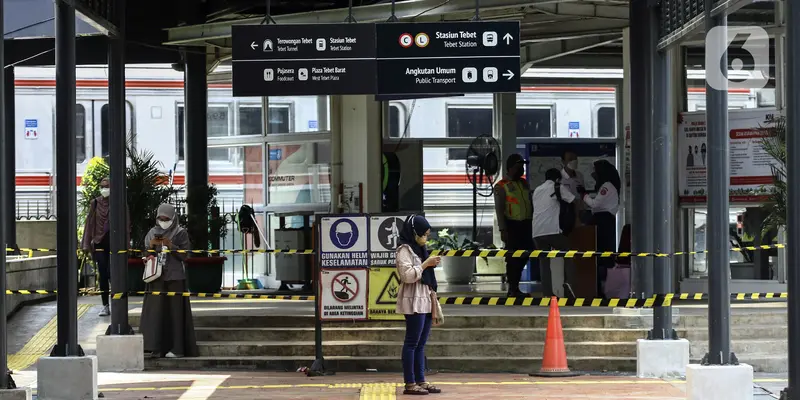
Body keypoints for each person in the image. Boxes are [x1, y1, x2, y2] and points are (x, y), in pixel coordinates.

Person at [139, 204, 198, 358]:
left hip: (175, 278)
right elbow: (145, 253)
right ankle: (154, 347)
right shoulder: (152, 232)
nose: (163, 221)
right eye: (161, 218)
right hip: (156, 278)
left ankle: (177, 348)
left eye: (167, 219)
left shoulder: (180, 233)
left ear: (173, 218)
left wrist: (171, 246)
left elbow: (185, 255)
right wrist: (151, 249)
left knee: (175, 313)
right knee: (156, 313)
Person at [395, 214, 442, 395]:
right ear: (415, 232)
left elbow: (428, 278)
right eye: (424, 234)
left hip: (425, 298)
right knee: (412, 342)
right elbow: (407, 276)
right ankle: (410, 383)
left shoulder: (421, 249)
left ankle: (421, 380)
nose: (426, 237)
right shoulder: (404, 250)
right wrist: (425, 264)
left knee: (421, 343)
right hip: (413, 299)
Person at [80, 177, 130, 317]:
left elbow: (126, 225)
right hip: (99, 243)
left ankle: (117, 305)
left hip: (115, 244)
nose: (104, 189)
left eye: (107, 186)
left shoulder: (119, 203)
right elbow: (89, 224)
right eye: (102, 186)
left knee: (113, 274)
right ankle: (105, 305)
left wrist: (126, 244)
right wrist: (86, 243)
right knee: (103, 274)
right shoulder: (94, 203)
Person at [533, 168, 577, 299]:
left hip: (536, 232)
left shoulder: (537, 190)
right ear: (557, 179)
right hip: (551, 230)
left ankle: (547, 294)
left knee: (544, 262)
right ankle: (569, 284)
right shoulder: (557, 187)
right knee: (568, 253)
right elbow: (573, 200)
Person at [494, 154, 534, 297]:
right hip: (512, 226)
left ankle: (516, 287)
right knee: (513, 258)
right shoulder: (501, 186)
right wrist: (502, 229)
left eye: (522, 167)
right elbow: (499, 210)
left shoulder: (524, 184)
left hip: (526, 225)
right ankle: (513, 288)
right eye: (518, 167)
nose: (521, 169)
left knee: (526, 254)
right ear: (510, 168)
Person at [580, 160, 620, 296]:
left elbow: (595, 204)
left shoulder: (607, 186)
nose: (593, 175)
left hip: (603, 223)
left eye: (595, 171)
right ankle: (601, 288)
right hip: (604, 222)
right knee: (602, 255)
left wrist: (583, 195)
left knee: (602, 256)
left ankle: (603, 289)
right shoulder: (609, 185)